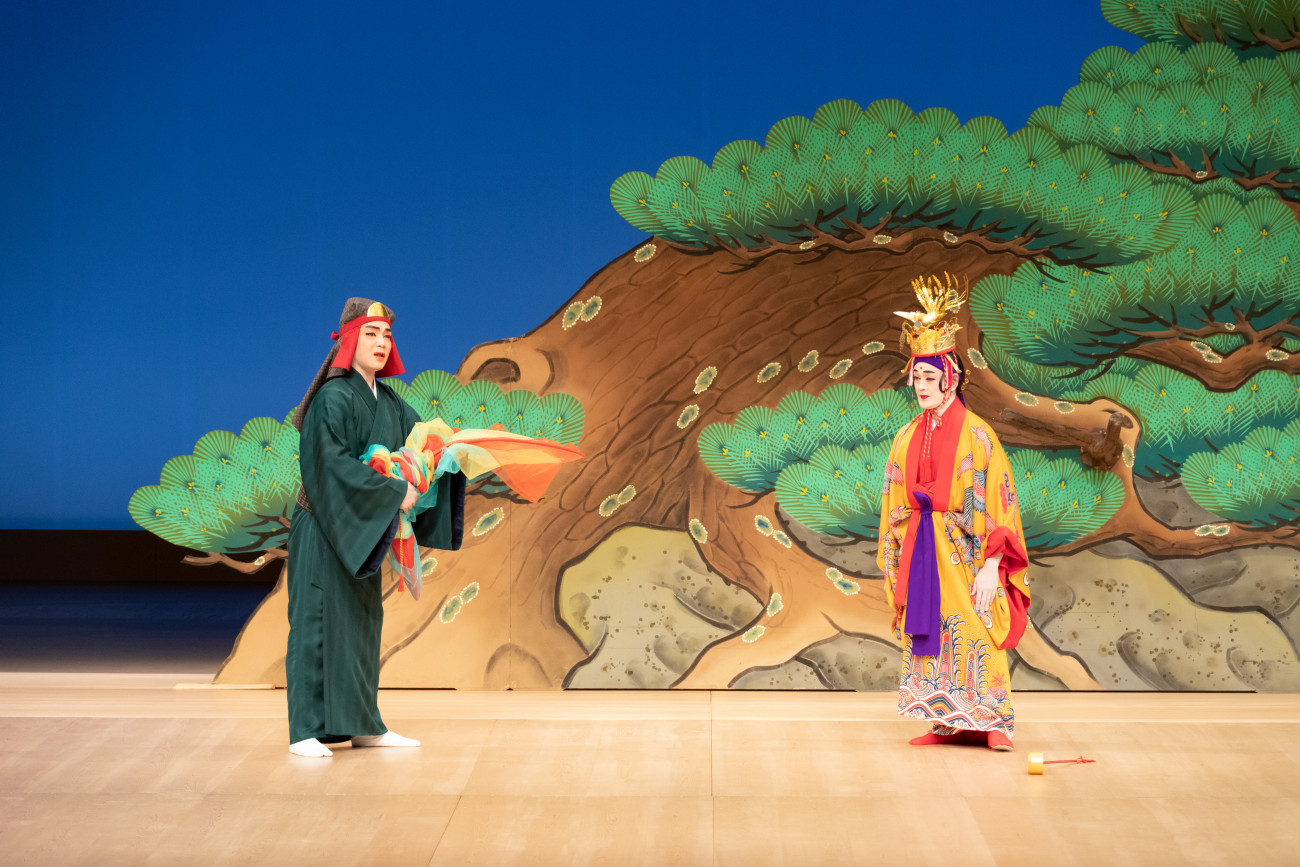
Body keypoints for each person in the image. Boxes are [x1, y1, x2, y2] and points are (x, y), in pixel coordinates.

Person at [285, 298, 465, 758]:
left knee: (360, 623)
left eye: (387, 335)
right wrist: (391, 491)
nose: (382, 342)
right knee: (316, 621)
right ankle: (305, 731)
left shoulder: (390, 402)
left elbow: (418, 442)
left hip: (360, 526)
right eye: (371, 334)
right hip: (323, 525)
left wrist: (447, 453)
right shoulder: (332, 397)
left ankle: (363, 724)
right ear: (348, 340)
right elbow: (330, 465)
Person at [876, 273, 1031, 751]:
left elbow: (1000, 500)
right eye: (917, 378)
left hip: (967, 554)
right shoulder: (906, 435)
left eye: (930, 378)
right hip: (923, 549)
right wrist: (898, 552)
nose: (921, 387)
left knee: (977, 628)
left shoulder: (979, 435)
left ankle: (993, 723)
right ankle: (945, 721)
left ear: (952, 379)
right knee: (929, 631)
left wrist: (992, 565)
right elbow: (894, 499)